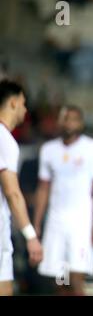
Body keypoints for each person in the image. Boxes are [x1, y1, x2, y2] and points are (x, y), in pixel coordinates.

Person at [33, 105, 93, 295]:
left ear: (81, 123)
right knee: (59, 280)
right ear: (59, 121)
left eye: (73, 119)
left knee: (76, 279)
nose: (69, 123)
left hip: (81, 224)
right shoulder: (49, 150)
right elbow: (43, 189)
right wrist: (37, 224)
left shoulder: (92, 148)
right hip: (56, 222)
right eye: (65, 118)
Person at [0, 79, 43, 296]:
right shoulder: (5, 140)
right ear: (14, 102)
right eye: (24, 103)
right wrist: (31, 236)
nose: (25, 109)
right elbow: (13, 193)